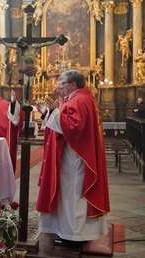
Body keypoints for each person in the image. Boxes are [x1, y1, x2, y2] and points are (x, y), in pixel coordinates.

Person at [36, 69, 110, 247]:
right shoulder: (82, 98)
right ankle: (73, 232)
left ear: (73, 85)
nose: (58, 88)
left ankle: (74, 235)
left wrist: (53, 111)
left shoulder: (79, 100)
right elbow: (66, 121)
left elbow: (73, 127)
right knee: (71, 195)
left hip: (75, 158)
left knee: (73, 195)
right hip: (76, 155)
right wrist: (49, 112)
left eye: (61, 85)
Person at [0, 34, 67, 106]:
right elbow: (10, 46)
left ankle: (28, 101)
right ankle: (25, 101)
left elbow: (45, 44)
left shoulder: (34, 47)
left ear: (25, 42)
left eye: (22, 43)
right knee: (25, 85)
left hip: (32, 69)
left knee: (30, 85)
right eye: (20, 44)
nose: (21, 45)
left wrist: (55, 41)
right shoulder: (22, 49)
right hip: (26, 69)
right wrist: (2, 41)